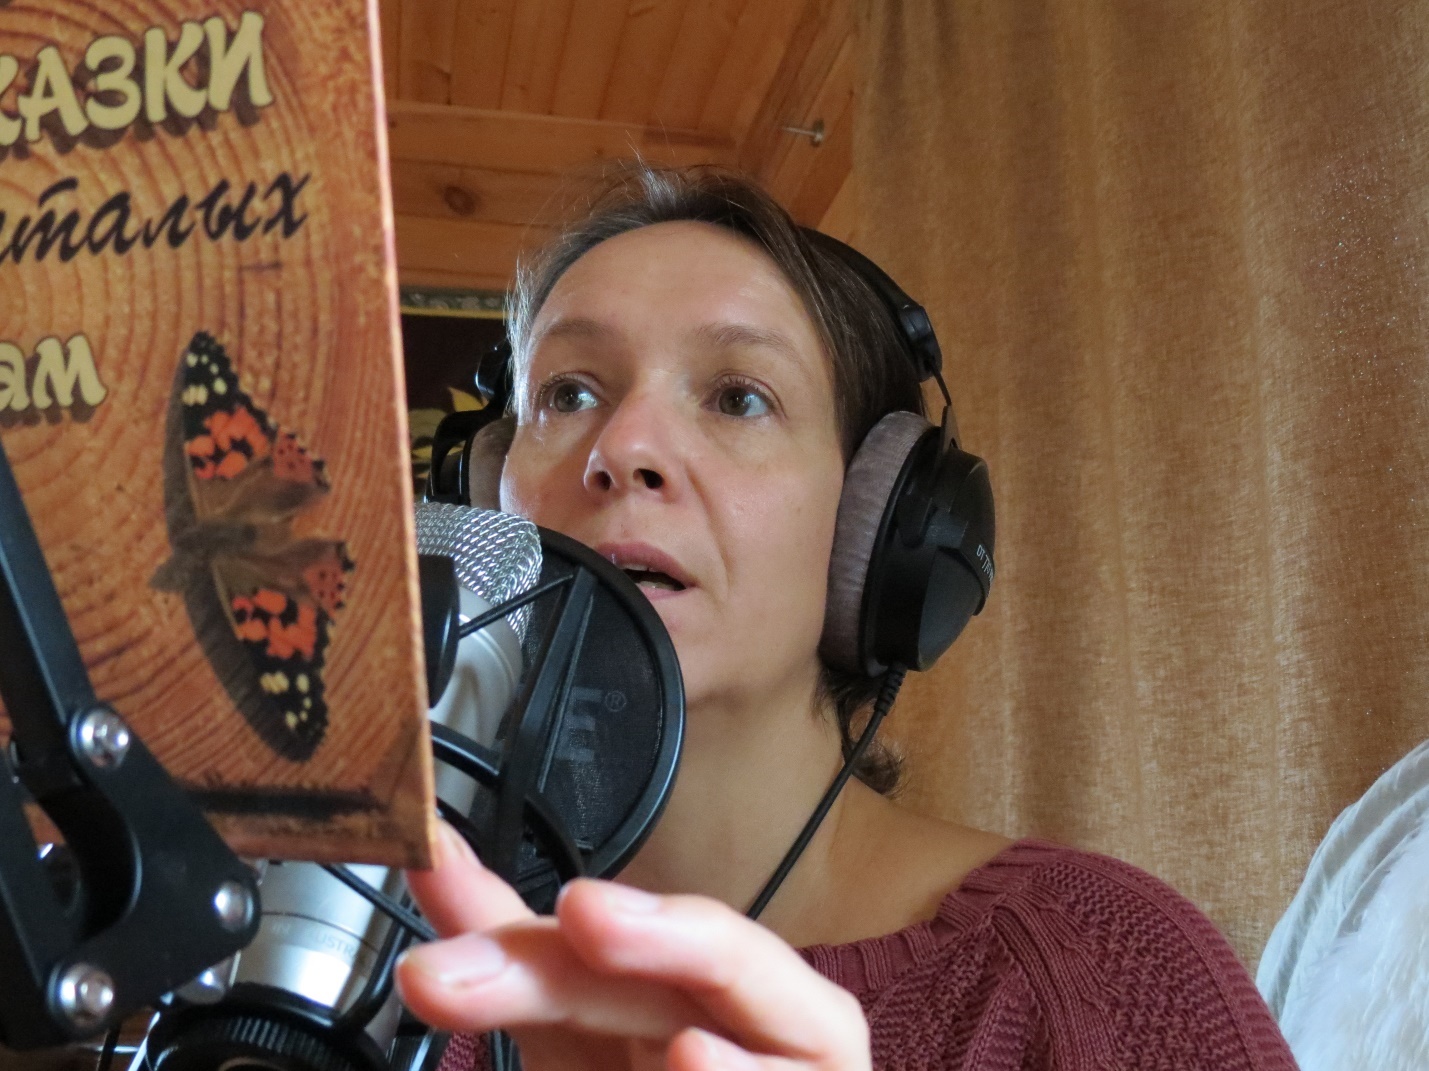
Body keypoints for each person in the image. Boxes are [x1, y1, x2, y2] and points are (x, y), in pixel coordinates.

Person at [395, 166, 1297, 1071]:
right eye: (567, 394)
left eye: (738, 397)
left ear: (876, 526)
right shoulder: (368, 952)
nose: (622, 447)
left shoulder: (1111, 968)